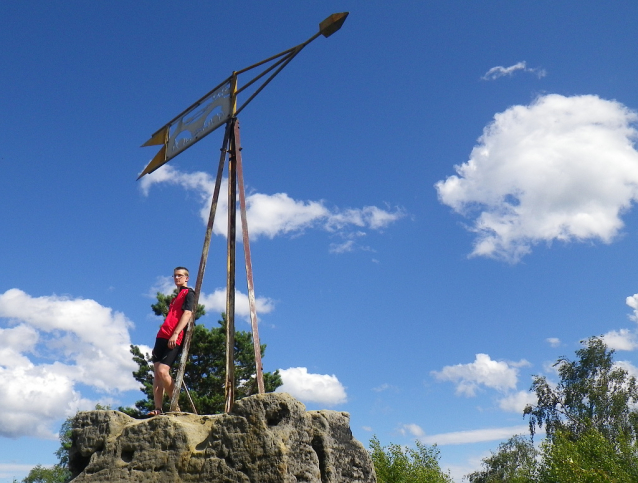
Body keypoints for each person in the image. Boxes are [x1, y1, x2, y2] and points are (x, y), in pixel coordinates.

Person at [149, 266, 194, 416]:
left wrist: (176, 333)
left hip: (174, 336)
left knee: (163, 371)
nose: (177, 278)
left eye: (180, 276)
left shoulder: (189, 293)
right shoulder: (175, 297)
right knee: (156, 373)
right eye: (175, 276)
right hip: (162, 335)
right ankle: (158, 408)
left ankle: (175, 406)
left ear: (186, 278)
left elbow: (187, 314)